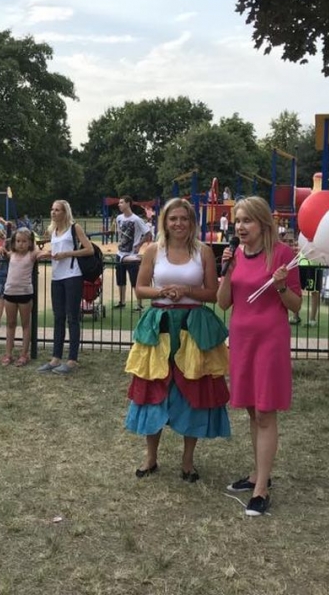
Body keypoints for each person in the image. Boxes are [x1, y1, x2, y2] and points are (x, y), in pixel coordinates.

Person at [124, 197, 230, 483]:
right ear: (165, 222)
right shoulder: (153, 250)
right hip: (159, 326)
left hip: (193, 326)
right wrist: (161, 292)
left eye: (184, 218)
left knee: (194, 388)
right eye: (173, 218)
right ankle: (150, 457)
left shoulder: (203, 251)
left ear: (192, 222)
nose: (178, 223)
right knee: (154, 386)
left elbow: (213, 294)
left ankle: (188, 461)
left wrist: (186, 291)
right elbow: (140, 289)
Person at [218, 196, 301, 516]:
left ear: (263, 223)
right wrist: (228, 271)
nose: (240, 227)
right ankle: (256, 474)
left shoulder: (282, 254)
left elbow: (296, 305)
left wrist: (280, 286)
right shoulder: (236, 254)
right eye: (237, 221)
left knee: (266, 412)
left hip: (270, 341)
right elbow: (223, 302)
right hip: (242, 340)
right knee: (253, 411)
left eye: (247, 220)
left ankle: (262, 488)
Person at [36, 200, 94, 375]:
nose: (53, 212)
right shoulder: (53, 230)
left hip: (72, 276)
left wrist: (67, 254)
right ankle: (55, 358)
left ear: (65, 212)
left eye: (57, 210)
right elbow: (57, 251)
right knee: (58, 317)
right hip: (57, 277)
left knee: (72, 317)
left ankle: (72, 359)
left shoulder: (74, 228)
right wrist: (48, 254)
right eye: (52, 209)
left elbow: (89, 249)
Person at [0, 228, 38, 367]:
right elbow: (2, 251)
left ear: (30, 242)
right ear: (14, 242)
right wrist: (0, 248)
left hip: (24, 293)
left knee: (25, 324)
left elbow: (41, 252)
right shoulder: (12, 254)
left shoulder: (31, 254)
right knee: (10, 324)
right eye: (18, 241)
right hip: (10, 293)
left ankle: (24, 354)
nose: (21, 244)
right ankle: (8, 353)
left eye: (24, 241)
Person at [113, 196, 149, 310]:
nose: (119, 204)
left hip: (132, 254)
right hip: (120, 253)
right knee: (120, 279)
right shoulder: (119, 218)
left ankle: (139, 304)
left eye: (121, 202)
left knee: (135, 280)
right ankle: (122, 301)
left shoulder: (136, 219)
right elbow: (120, 233)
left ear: (128, 203)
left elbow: (148, 233)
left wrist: (139, 245)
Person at [290, 254, 323, 327]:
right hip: (301, 263)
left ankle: (312, 320)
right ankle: (295, 317)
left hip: (314, 264)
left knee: (315, 291)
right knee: (297, 289)